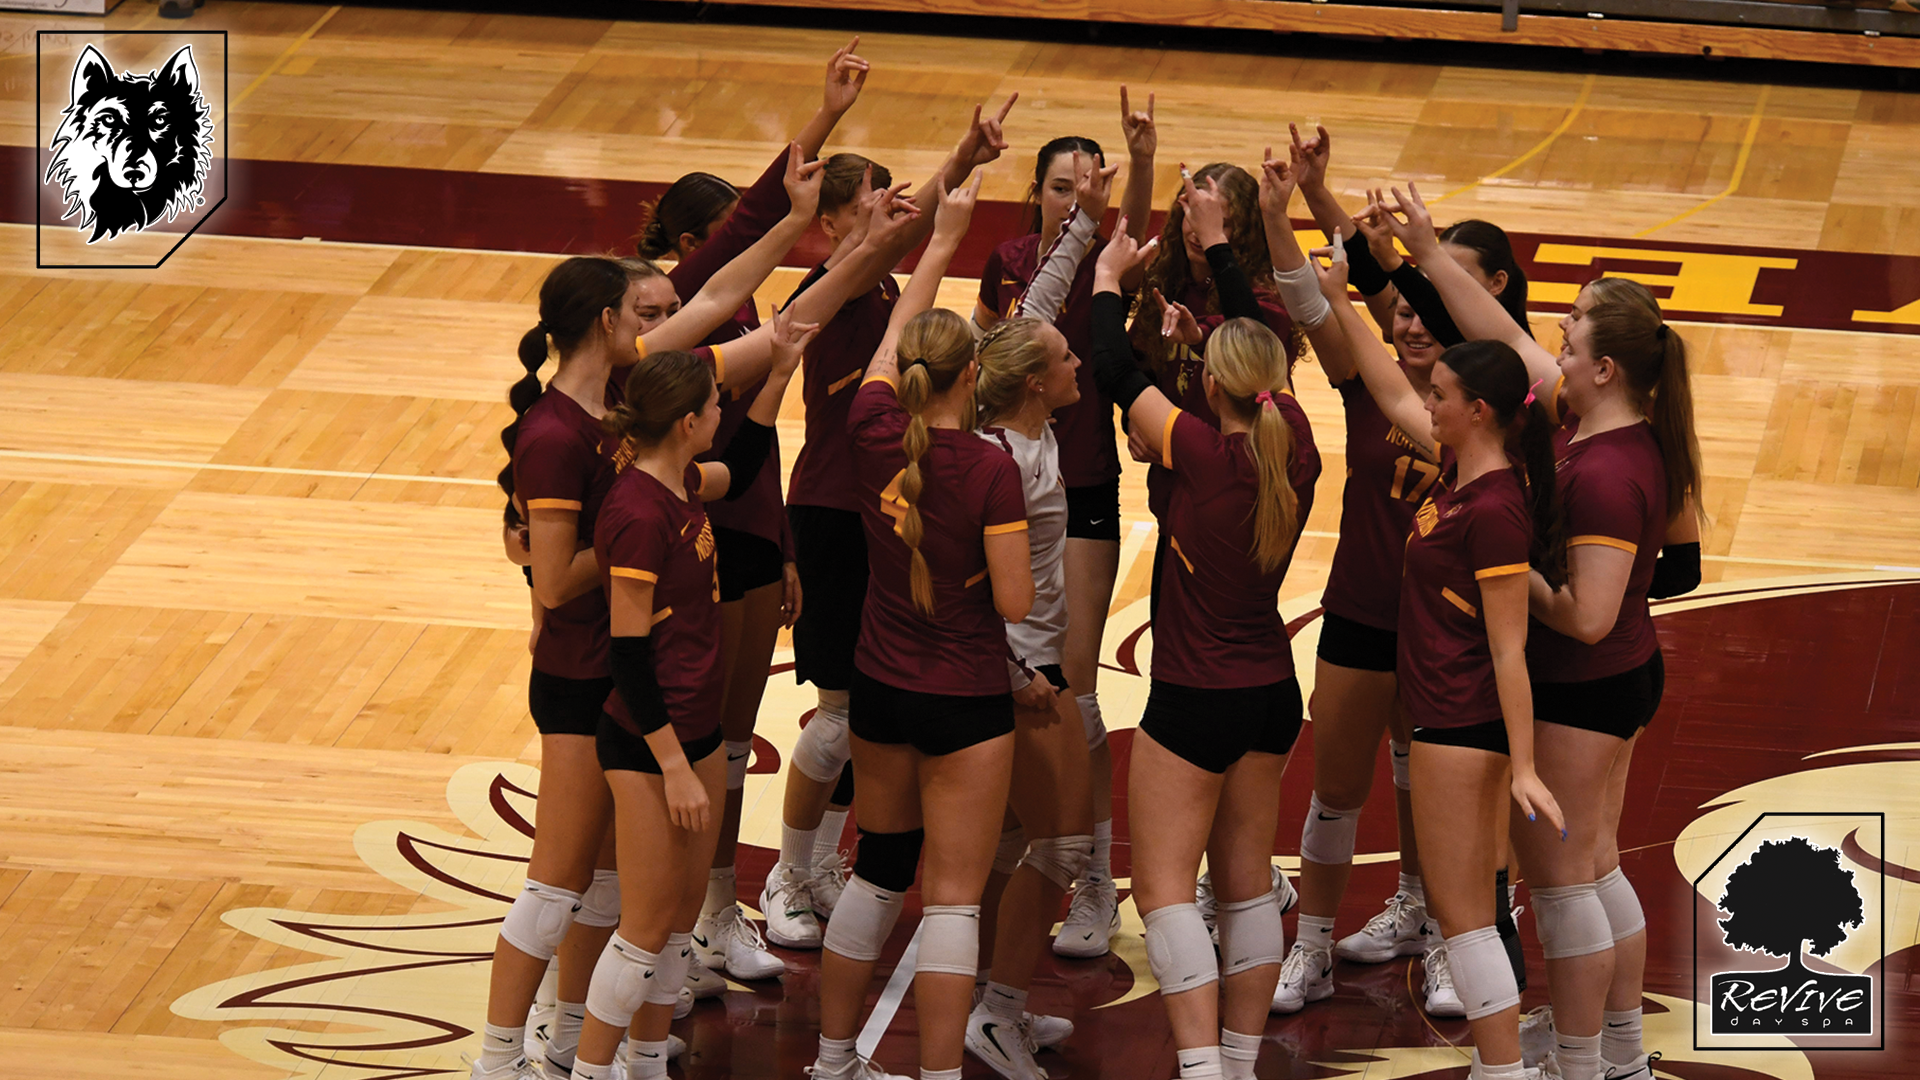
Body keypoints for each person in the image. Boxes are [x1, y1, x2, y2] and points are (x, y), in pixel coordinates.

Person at [1387, 203, 1704, 1080]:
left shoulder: (1606, 471)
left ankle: (1581, 1058)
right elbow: (1502, 333)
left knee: (1567, 887)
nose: (1550, 354)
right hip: (1618, 678)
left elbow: (1589, 613)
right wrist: (1421, 253)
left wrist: (1501, 568)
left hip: (1591, 681)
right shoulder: (1590, 415)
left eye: (1568, 346)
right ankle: (1619, 1052)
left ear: (1604, 368)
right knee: (1595, 871)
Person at [763, 97, 1022, 951]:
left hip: (882, 512)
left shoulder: (877, 280)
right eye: (870, 200)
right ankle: (789, 870)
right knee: (839, 716)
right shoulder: (822, 289)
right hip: (837, 513)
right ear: (830, 217)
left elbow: (915, 239)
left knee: (865, 715)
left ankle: (828, 862)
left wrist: (964, 153)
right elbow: (913, 239)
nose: (888, 209)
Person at [1310, 222, 1568, 1080]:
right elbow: (1386, 384)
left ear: (1480, 411)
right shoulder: (1464, 470)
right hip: (1446, 722)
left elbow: (1509, 649)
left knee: (1467, 918)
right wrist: (1342, 290)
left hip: (1463, 723)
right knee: (1460, 914)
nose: (1430, 400)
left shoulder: (1493, 507)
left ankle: (1504, 1069)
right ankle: (1505, 1067)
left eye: (1445, 393)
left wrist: (1524, 765)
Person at [807, 173, 1038, 1080]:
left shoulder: (871, 428)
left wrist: (938, 244)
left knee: (876, 871)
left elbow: (888, 351)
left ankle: (833, 1063)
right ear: (973, 375)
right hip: (965, 699)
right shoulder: (989, 471)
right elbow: (1018, 605)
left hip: (880, 687)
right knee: (949, 901)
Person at [1083, 201, 1321, 1080]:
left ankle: (1199, 1069)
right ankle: (1241, 1058)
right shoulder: (1294, 443)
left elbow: (1111, 367)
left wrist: (1108, 283)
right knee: (1250, 879)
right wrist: (1217, 269)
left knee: (1166, 890)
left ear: (1212, 389)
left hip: (1193, 697)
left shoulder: (1196, 453)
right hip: (1269, 696)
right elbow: (1263, 345)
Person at [565, 308, 817, 1080]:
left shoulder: (679, 478)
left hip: (694, 731)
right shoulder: (639, 515)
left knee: (676, 922)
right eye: (715, 402)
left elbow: (738, 466)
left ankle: (643, 1056)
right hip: (650, 741)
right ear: (684, 420)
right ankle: (588, 1068)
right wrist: (672, 762)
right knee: (644, 927)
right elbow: (629, 654)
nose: (722, 411)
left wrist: (778, 372)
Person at [971, 90, 1157, 958]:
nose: (1071, 198)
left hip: (1082, 487)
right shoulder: (1010, 263)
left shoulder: (1107, 261)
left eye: (1086, 186)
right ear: (1035, 192)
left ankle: (1087, 872)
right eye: (1058, 186)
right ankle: (1029, 857)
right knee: (1027, 678)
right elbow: (986, 352)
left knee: (1073, 688)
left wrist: (1133, 176)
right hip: (1012, 494)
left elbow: (1125, 229)